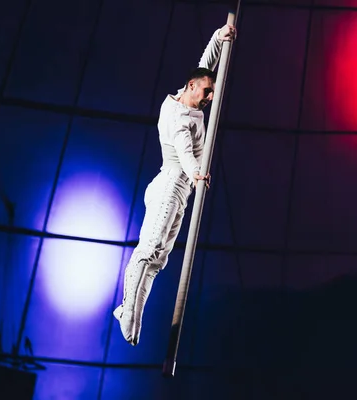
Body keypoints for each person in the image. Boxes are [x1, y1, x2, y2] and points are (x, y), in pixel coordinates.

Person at [113, 23, 237, 346]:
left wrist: (217, 37)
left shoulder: (185, 98)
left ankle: (129, 309)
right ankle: (128, 311)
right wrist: (197, 173)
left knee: (159, 260)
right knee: (150, 248)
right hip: (172, 184)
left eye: (210, 92)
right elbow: (184, 151)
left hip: (177, 190)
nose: (210, 97)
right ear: (191, 86)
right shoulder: (179, 117)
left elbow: (205, 65)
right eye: (206, 92)